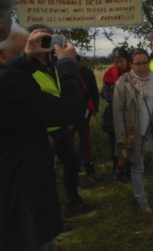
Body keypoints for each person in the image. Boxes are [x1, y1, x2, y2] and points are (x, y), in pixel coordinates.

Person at [0, 2, 86, 249]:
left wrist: (25, 57)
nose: (13, 23)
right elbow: (73, 110)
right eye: (11, 18)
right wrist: (68, 64)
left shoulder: (11, 74)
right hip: (20, 207)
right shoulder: (12, 83)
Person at [24, 24, 92, 217]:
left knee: (72, 162)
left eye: (50, 39)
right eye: (41, 39)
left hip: (60, 129)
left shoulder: (53, 65)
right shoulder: (26, 69)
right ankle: (48, 214)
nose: (47, 44)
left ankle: (74, 203)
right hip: (42, 133)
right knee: (44, 175)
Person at [113, 48, 153, 213]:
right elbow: (117, 112)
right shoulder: (123, 82)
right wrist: (122, 138)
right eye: (138, 63)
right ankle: (142, 201)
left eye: (144, 63)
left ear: (148, 62)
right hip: (134, 135)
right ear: (131, 64)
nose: (142, 67)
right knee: (138, 168)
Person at [101, 47, 131, 177]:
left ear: (126, 60)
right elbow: (104, 92)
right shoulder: (109, 73)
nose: (119, 64)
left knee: (129, 142)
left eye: (121, 61)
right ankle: (117, 169)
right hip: (113, 114)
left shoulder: (133, 71)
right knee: (115, 142)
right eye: (116, 61)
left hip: (130, 113)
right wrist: (113, 98)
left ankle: (129, 169)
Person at [70, 55, 100, 176]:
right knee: (75, 141)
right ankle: (78, 165)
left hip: (82, 112)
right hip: (72, 113)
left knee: (85, 141)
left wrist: (95, 108)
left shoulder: (86, 71)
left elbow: (93, 90)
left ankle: (87, 165)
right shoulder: (60, 70)